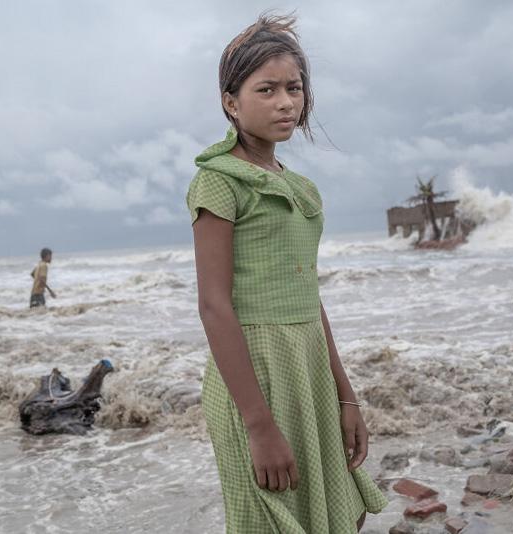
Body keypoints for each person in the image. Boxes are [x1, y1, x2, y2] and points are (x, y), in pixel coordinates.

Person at [187, 14, 386, 533]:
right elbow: (214, 306)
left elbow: (308, 298)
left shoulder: (301, 189)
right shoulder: (219, 184)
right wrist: (259, 426)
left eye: (294, 88)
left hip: (309, 369)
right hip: (256, 376)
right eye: (267, 89)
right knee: (269, 518)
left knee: (338, 509)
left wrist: (346, 396)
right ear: (231, 102)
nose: (285, 102)